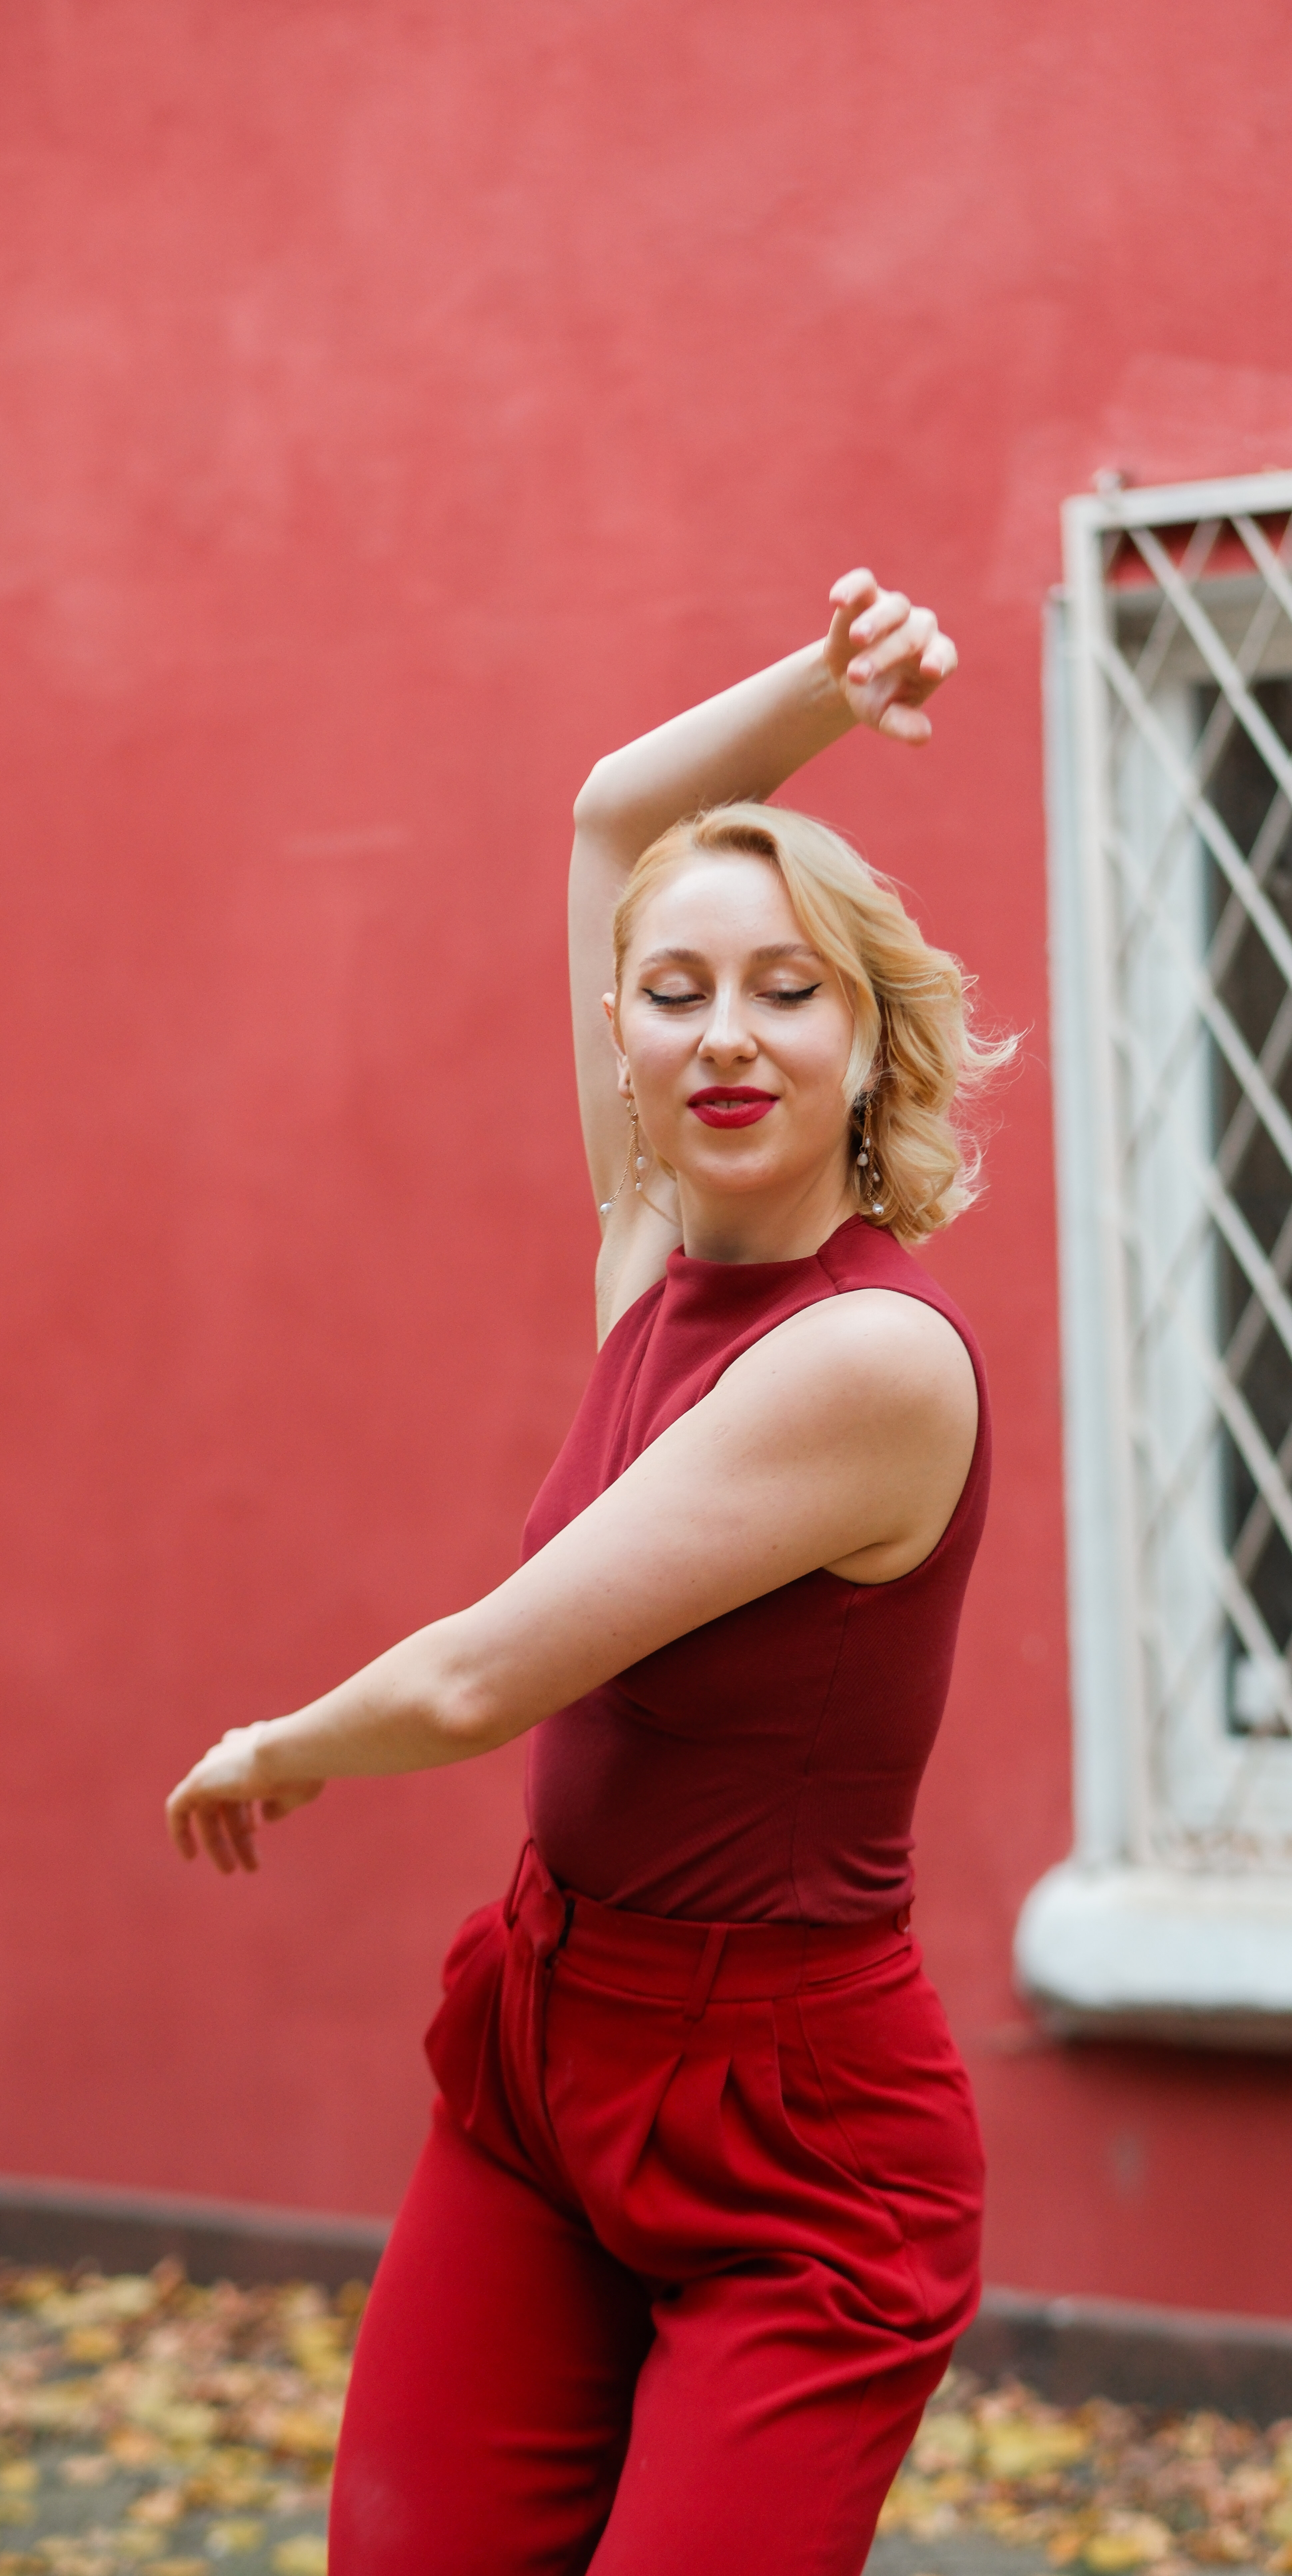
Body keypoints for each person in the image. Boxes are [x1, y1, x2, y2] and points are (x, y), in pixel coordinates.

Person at [165, 569, 1012, 2576]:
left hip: (799, 2146)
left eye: (790, 990)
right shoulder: (650, 1253)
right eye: (677, 991)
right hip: (551, 2054)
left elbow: (481, 1682)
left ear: (869, 1045)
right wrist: (828, 685)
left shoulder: (874, 1362)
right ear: (622, 1040)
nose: (727, 1035)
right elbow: (616, 816)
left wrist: (281, 1744)